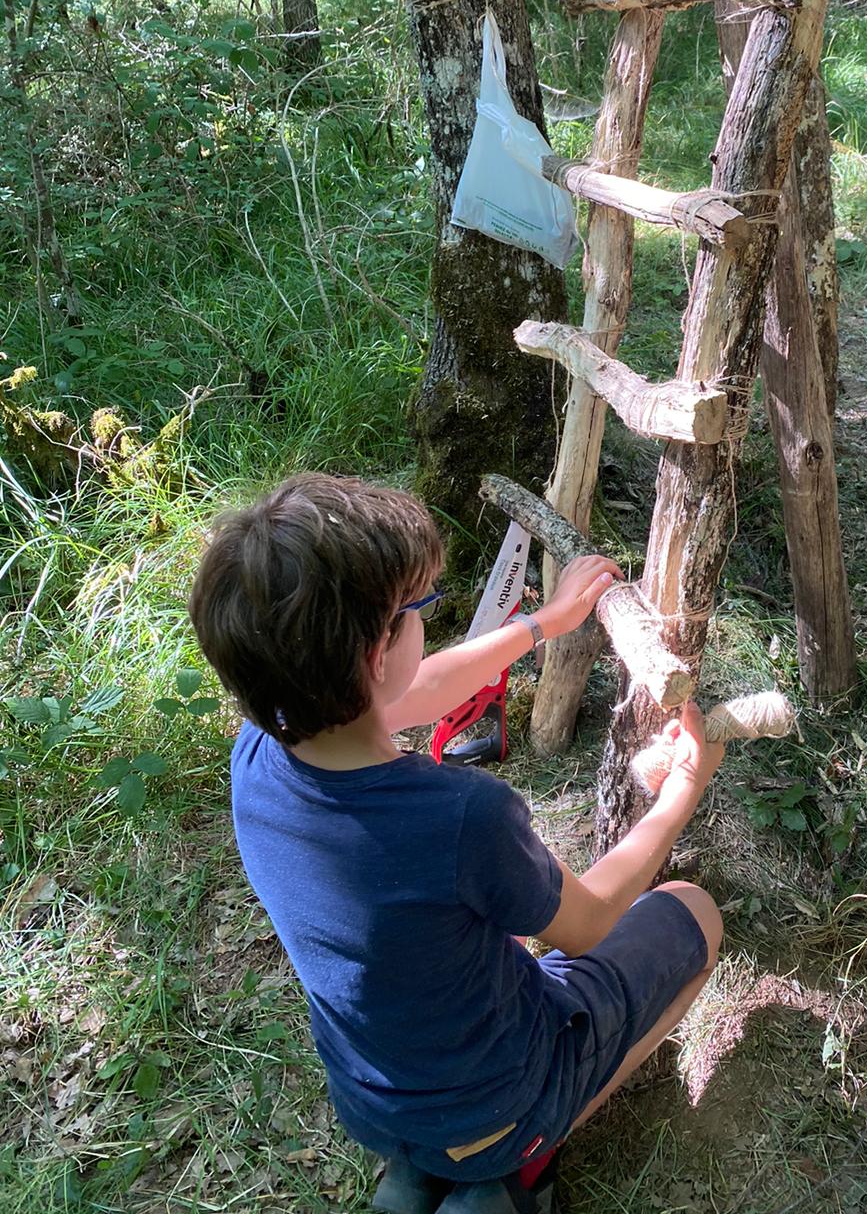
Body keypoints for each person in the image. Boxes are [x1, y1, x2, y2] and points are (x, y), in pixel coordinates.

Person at [188, 472, 724, 1214]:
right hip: (503, 1101)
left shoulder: (259, 752)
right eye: (420, 610)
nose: (428, 626)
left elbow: (419, 688)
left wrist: (545, 624)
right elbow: (594, 917)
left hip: (370, 1103)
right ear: (377, 653)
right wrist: (679, 795)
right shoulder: (461, 815)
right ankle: (518, 1168)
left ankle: (423, 1176)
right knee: (691, 913)